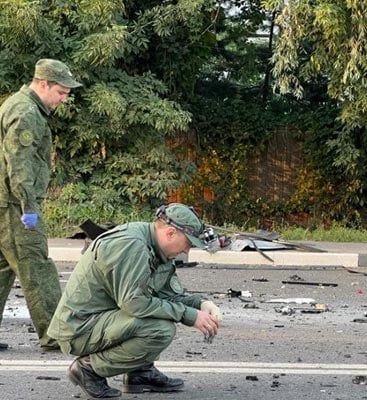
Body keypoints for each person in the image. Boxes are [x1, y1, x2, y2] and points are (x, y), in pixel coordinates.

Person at [47, 203, 223, 399]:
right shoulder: (133, 245)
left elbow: (167, 295)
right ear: (171, 233)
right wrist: (188, 316)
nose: (187, 251)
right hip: (79, 328)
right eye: (188, 243)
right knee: (160, 329)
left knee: (160, 312)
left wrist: (201, 304)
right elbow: (134, 303)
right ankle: (88, 369)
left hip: (103, 320)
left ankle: (140, 373)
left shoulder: (157, 248)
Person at [0, 58, 82, 351]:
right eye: (61, 92)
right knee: (36, 267)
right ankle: (55, 334)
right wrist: (29, 208)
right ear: (43, 84)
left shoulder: (20, 105)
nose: (63, 99)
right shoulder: (26, 113)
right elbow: (19, 165)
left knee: (3, 268)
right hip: (14, 205)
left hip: (5, 202)